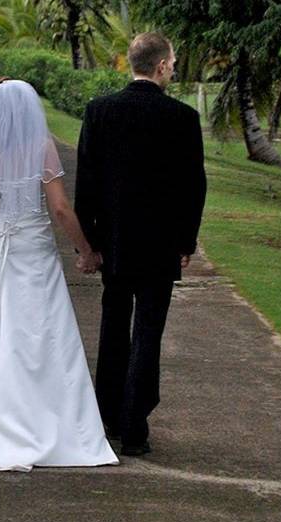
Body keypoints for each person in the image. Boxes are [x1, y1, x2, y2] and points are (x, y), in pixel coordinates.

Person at [0, 78, 118, 471]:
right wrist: (87, 251)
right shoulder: (41, 147)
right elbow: (61, 210)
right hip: (32, 245)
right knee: (39, 331)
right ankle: (50, 422)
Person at [74, 32, 207, 456]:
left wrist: (89, 244)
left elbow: (87, 184)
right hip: (160, 245)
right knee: (149, 331)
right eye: (172, 63)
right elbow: (193, 187)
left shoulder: (100, 112)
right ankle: (135, 425)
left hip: (114, 243)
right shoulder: (182, 118)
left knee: (114, 327)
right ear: (162, 66)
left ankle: (108, 414)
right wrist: (186, 241)